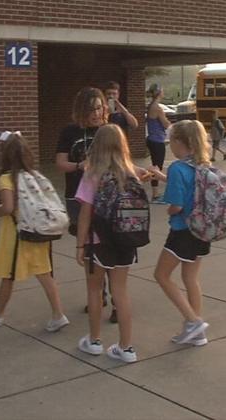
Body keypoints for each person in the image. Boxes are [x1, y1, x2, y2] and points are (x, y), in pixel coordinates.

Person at [0, 132, 68, 332]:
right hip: (38, 230)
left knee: (8, 273)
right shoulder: (35, 175)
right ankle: (58, 314)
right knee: (45, 273)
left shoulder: (6, 178)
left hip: (18, 233)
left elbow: (8, 208)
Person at [75, 124, 148, 363]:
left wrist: (80, 245)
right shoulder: (130, 172)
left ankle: (94, 340)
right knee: (121, 291)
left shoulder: (92, 174)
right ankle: (126, 348)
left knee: (94, 290)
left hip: (99, 241)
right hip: (126, 239)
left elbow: (85, 213)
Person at [55, 87, 116, 322]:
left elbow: (123, 160)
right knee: (89, 245)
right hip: (78, 196)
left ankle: (117, 301)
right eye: (91, 108)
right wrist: (79, 166)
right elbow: (60, 163)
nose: (96, 113)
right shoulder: (70, 131)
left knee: (109, 243)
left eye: (100, 107)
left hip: (107, 196)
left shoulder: (110, 131)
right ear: (81, 110)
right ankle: (97, 294)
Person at [150, 120, 211, 347]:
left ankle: (193, 322)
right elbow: (189, 186)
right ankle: (196, 331)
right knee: (190, 278)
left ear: (178, 142)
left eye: (171, 140)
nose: (169, 144)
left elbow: (175, 204)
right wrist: (161, 176)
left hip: (182, 231)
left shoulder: (177, 167)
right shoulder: (202, 164)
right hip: (201, 230)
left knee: (161, 275)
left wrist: (168, 209)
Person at [146, 84, 171, 203]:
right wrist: (167, 120)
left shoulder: (152, 106)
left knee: (156, 165)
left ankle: (155, 193)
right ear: (159, 92)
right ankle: (155, 195)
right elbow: (166, 124)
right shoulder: (157, 107)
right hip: (157, 141)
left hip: (153, 139)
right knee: (157, 167)